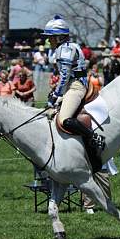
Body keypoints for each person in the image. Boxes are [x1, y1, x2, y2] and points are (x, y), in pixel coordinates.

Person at [43, 15, 105, 154]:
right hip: (71, 85)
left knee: (65, 119)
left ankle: (94, 137)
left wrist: (55, 95)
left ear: (59, 37)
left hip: (76, 86)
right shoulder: (67, 47)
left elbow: (64, 76)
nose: (48, 40)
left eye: (51, 37)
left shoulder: (65, 49)